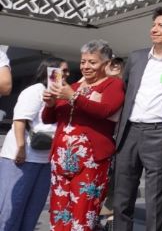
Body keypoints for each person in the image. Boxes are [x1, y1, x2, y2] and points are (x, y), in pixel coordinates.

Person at [112, 7, 162, 231]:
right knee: (122, 198)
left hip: (160, 133)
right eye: (154, 25)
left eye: (161, 25)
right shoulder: (136, 57)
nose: (154, 29)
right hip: (129, 133)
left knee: (156, 200)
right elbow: (124, 91)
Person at [41, 40, 125, 231]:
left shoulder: (113, 84)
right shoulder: (73, 85)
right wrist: (50, 103)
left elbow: (106, 110)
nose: (86, 66)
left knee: (83, 214)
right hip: (61, 158)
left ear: (105, 64)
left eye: (92, 62)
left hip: (91, 160)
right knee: (59, 212)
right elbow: (48, 119)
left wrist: (73, 97)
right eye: (83, 62)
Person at [0, 57, 62, 231]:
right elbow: (20, 120)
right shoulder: (35, 90)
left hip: (44, 160)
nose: (64, 75)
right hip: (23, 157)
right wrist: (20, 148)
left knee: (32, 210)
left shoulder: (60, 96)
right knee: (12, 209)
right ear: (49, 71)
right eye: (60, 71)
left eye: (66, 72)